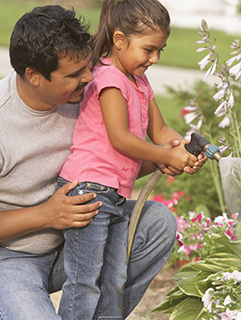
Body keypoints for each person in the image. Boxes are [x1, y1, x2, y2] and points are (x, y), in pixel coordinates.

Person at [0, 5, 204, 320]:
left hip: (72, 237)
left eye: (88, 65)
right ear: (34, 76)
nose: (89, 77)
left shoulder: (85, 95)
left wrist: (167, 159)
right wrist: (47, 215)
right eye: (74, 75)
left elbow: (107, 165)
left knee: (156, 224)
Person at [55, 0, 196, 319]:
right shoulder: (109, 80)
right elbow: (122, 139)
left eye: (161, 50)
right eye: (149, 49)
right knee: (84, 281)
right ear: (120, 40)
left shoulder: (139, 82)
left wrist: (182, 151)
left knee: (114, 279)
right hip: (87, 193)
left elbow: (159, 130)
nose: (155, 58)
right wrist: (166, 155)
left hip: (113, 196)